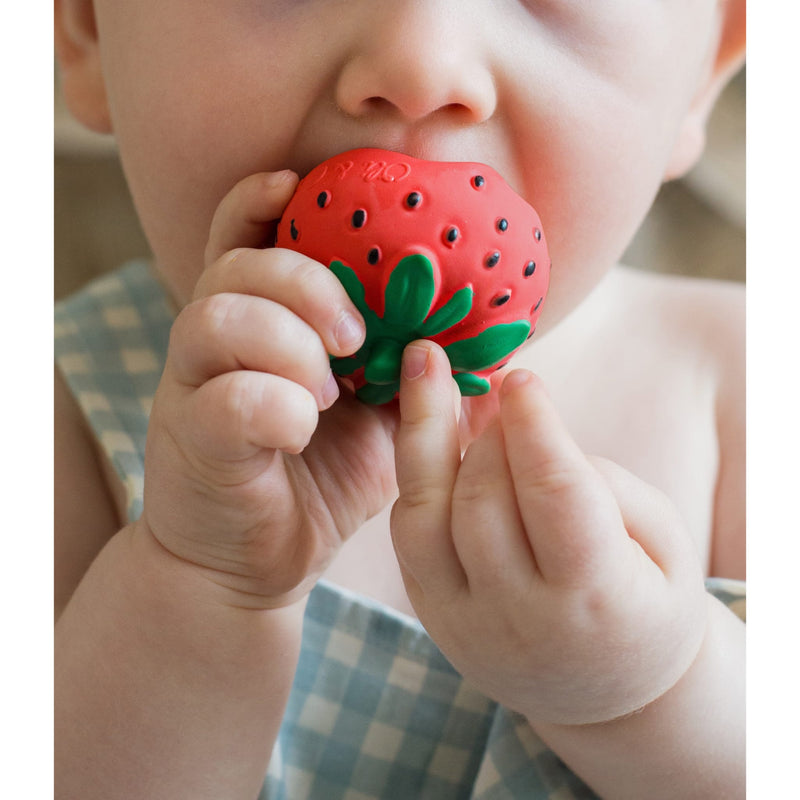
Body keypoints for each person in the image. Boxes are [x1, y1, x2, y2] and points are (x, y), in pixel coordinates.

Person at [54, 1, 746, 797]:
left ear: (702, 75)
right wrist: (202, 580)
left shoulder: (740, 391)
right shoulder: (53, 416)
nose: (420, 67)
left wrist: (659, 689)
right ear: (89, 29)